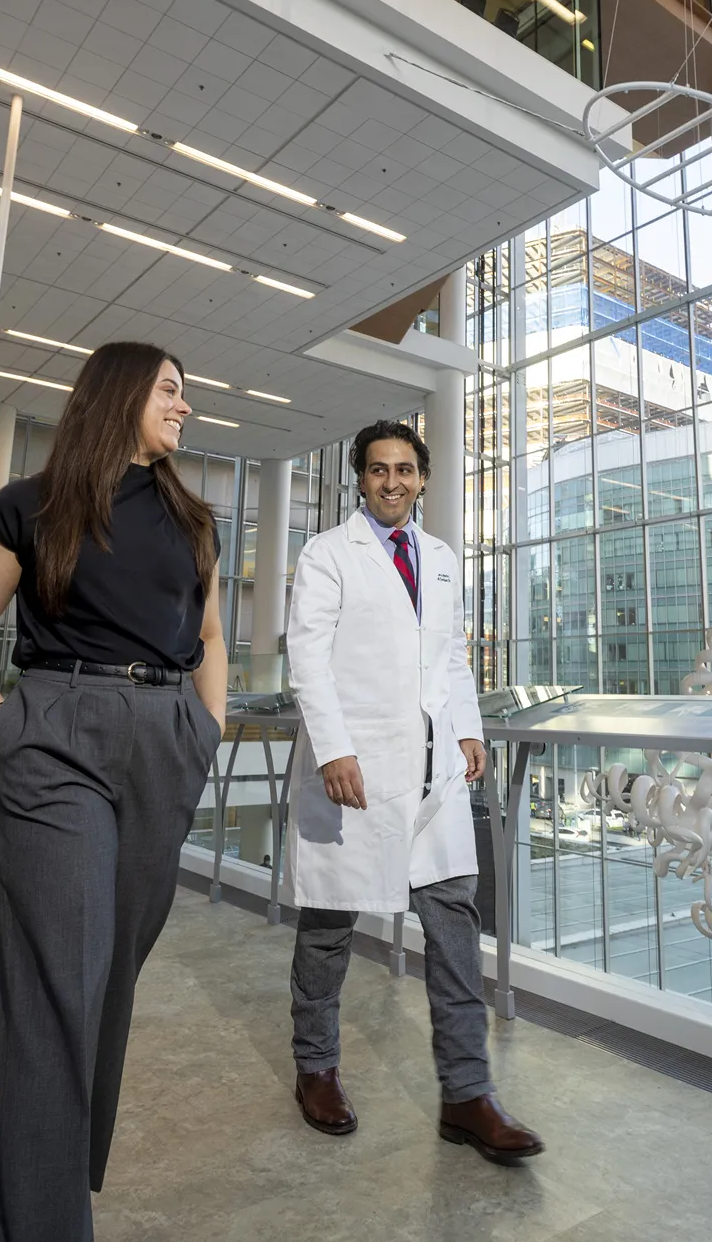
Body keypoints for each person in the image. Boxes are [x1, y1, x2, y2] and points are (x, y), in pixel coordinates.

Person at [0, 341, 227, 1242]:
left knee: (107, 983)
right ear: (119, 394)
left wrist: (205, 731)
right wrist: (3, 729)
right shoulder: (30, 505)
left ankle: (39, 1194)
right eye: (171, 391)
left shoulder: (195, 520)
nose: (183, 407)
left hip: (166, 738)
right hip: (57, 734)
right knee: (59, 982)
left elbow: (210, 635)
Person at [282, 418, 544, 1165]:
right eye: (376, 469)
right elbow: (308, 659)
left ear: (423, 477)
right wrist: (333, 749)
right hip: (355, 769)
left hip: (435, 778)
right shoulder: (328, 554)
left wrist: (468, 730)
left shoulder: (440, 557)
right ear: (359, 479)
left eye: (404, 468)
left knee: (455, 928)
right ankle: (317, 1067)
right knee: (329, 929)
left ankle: (467, 1093)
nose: (391, 481)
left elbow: (450, 658)